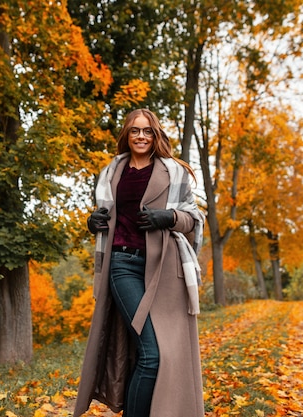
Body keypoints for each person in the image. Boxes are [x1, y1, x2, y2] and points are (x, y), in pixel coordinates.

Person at [74, 109, 205, 417]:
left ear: (156, 135)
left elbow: (194, 218)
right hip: (122, 265)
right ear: (127, 135)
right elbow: (103, 216)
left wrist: (169, 217)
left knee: (167, 353)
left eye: (147, 131)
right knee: (151, 352)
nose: (141, 136)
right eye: (135, 131)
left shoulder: (174, 172)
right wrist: (92, 222)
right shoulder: (113, 172)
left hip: (164, 269)